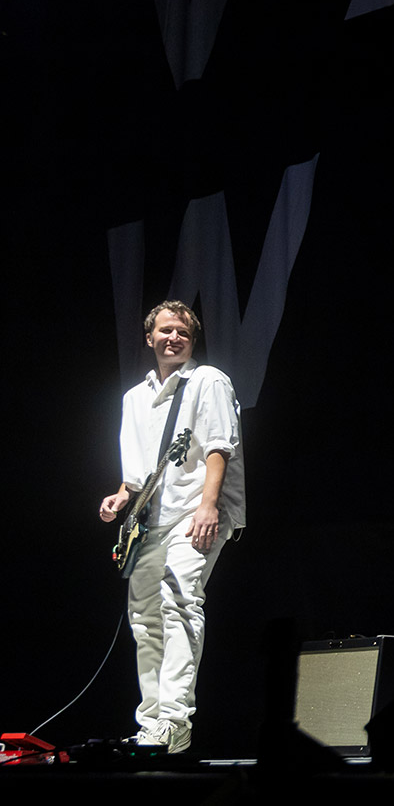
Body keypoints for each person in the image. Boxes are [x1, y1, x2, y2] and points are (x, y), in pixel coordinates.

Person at [98, 300, 244, 752]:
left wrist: (208, 505)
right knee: (144, 619)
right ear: (150, 338)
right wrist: (122, 495)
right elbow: (138, 470)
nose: (173, 337)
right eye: (165, 330)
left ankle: (175, 720)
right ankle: (152, 722)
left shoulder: (208, 380)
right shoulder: (134, 397)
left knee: (179, 601)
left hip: (195, 511)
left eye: (182, 331)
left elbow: (219, 446)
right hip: (150, 519)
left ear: (192, 339)